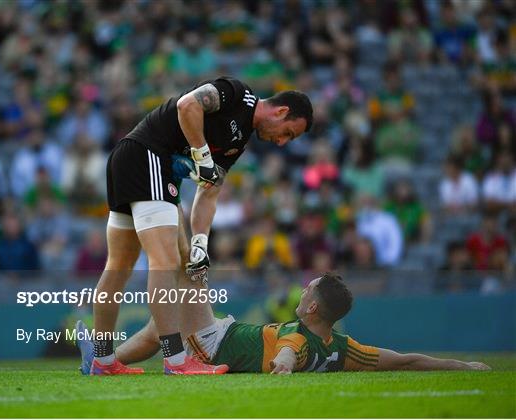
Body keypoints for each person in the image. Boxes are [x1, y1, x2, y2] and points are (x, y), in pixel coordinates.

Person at [93, 76, 313, 375]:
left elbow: (209, 191)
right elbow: (187, 105)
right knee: (167, 262)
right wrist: (201, 153)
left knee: (120, 265)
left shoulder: (237, 144)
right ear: (281, 111)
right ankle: (175, 360)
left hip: (131, 160)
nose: (282, 141)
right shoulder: (238, 94)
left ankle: (103, 361)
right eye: (287, 132)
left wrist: (200, 240)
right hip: (148, 157)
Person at [76, 272, 490, 374]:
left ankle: (101, 355)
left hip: (211, 344)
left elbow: (291, 351)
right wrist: (464, 367)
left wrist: (284, 366)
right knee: (157, 327)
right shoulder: (341, 349)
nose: (301, 293)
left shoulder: (298, 336)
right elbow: (404, 360)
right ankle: (97, 363)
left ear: (312, 309)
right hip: (216, 333)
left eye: (307, 291)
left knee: (190, 267)